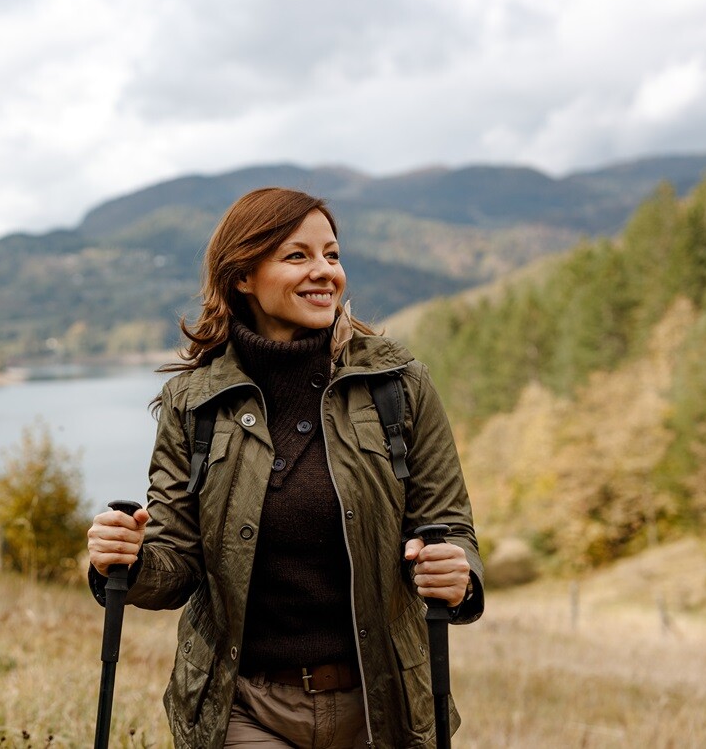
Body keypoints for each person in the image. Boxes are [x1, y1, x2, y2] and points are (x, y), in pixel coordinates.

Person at [86, 187, 483, 749]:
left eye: (333, 255)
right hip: (245, 709)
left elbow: (452, 527)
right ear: (243, 275)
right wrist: (124, 559)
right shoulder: (193, 402)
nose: (325, 272)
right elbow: (174, 566)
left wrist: (458, 574)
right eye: (298, 256)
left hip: (383, 709)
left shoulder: (399, 386)